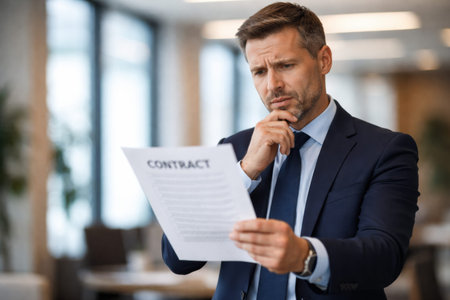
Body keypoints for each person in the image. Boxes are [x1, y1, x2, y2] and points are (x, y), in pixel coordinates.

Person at [162, 2, 419, 299]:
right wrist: (245, 171)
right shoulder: (234, 149)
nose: (273, 85)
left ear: (323, 60)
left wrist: (303, 255)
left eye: (286, 65)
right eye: (259, 71)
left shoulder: (384, 150)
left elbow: (384, 258)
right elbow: (177, 258)